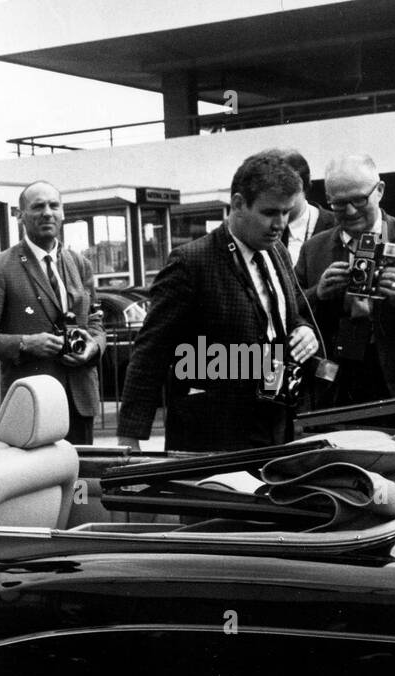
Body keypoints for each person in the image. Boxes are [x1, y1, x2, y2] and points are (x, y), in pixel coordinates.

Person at [118, 151, 320, 452]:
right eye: (269, 213)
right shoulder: (191, 263)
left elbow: (287, 314)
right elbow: (150, 351)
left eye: (287, 212)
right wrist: (130, 436)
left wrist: (303, 329)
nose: (280, 224)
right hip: (213, 432)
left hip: (275, 418)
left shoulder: (277, 252)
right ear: (238, 204)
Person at [0, 180, 103, 444]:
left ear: (63, 213)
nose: (47, 212)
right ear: (19, 215)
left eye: (53, 205)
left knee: (81, 481)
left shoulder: (79, 263)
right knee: (39, 482)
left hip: (80, 402)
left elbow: (95, 323)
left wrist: (93, 348)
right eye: (37, 206)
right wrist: (26, 343)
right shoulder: (1, 268)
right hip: (33, 404)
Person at [296, 154, 395, 410]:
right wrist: (318, 293)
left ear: (379, 191)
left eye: (358, 200)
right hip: (339, 390)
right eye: (338, 203)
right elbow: (289, 309)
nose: (349, 211)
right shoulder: (313, 250)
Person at [279, 150, 336, 269]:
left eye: (285, 193)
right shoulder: (258, 231)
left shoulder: (337, 226)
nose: (277, 203)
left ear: (304, 186)